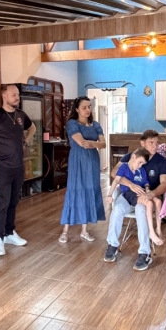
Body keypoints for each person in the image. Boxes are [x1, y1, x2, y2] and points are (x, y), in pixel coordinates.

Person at [103, 129, 166, 271]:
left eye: (157, 143)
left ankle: (144, 253)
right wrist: (130, 184)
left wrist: (151, 194)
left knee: (141, 211)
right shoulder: (131, 156)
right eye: (151, 142)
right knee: (117, 209)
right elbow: (114, 173)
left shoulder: (162, 161)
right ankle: (112, 245)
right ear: (142, 143)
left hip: (146, 197)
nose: (155, 146)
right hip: (127, 195)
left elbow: (165, 184)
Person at [0, 84, 35, 257]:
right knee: (2, 202)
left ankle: (10, 233)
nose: (17, 98)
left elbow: (32, 127)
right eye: (14, 95)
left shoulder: (21, 115)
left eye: (18, 95)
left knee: (13, 200)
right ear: (4, 96)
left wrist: (26, 140)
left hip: (18, 166)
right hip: (3, 167)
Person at [58, 97, 105, 244]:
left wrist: (91, 143)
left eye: (89, 107)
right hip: (77, 160)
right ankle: (65, 231)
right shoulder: (72, 123)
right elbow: (80, 142)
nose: (87, 110)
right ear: (77, 109)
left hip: (93, 161)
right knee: (74, 190)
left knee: (90, 190)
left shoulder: (96, 124)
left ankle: (84, 230)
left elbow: (103, 144)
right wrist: (95, 143)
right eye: (84, 107)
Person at [109, 148, 164, 246]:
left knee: (158, 202)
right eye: (140, 162)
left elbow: (146, 183)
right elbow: (116, 180)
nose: (140, 165)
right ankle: (151, 232)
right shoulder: (124, 167)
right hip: (130, 193)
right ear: (133, 157)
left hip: (141, 192)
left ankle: (158, 230)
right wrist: (109, 194)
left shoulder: (141, 170)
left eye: (142, 163)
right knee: (149, 203)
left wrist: (147, 190)